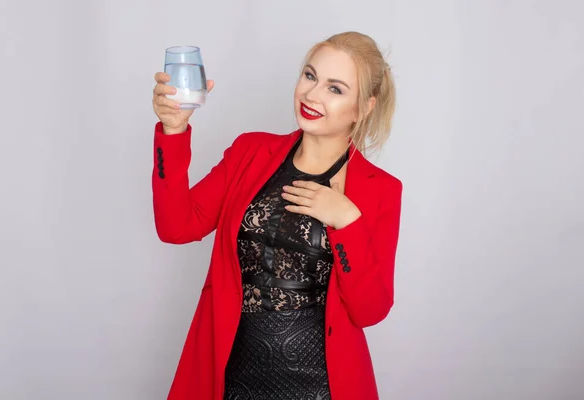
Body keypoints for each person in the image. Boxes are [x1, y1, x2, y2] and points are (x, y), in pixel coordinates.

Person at [151, 31, 403, 400]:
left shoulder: (380, 189)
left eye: (336, 89)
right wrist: (174, 131)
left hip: (320, 386)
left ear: (365, 107)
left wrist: (346, 220)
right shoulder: (249, 152)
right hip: (232, 377)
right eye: (310, 76)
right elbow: (177, 227)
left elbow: (369, 310)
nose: (313, 95)